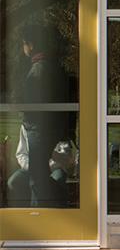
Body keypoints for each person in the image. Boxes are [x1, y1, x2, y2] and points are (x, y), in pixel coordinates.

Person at [19, 25, 75, 208]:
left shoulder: (38, 70)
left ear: (31, 45)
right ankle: (44, 212)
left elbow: (32, 105)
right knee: (38, 177)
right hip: (49, 129)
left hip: (39, 130)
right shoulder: (53, 67)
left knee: (37, 179)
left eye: (24, 44)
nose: (23, 48)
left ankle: (55, 205)